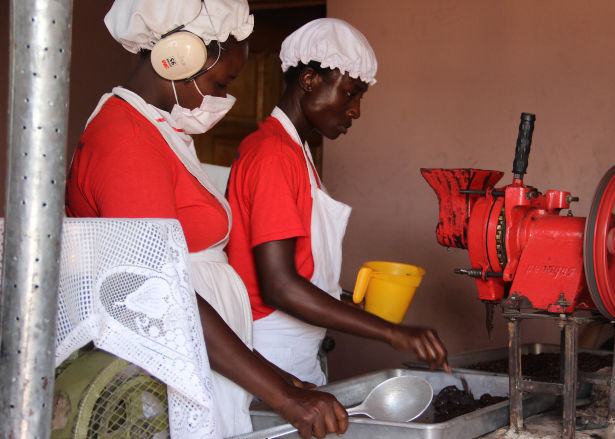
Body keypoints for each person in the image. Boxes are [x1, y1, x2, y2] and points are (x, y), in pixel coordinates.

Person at [66, 1, 348, 438]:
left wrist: (274, 375)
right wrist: (282, 393)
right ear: (178, 55)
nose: (222, 99)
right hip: (162, 377)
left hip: (203, 358)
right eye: (221, 82)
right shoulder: (126, 138)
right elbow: (160, 291)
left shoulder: (161, 130)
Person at [226, 18, 451, 386]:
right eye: (350, 93)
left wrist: (349, 304)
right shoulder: (273, 155)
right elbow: (279, 286)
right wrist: (392, 333)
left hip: (294, 350)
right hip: (270, 353)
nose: (356, 111)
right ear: (310, 79)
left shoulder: (295, 152)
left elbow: (299, 271)